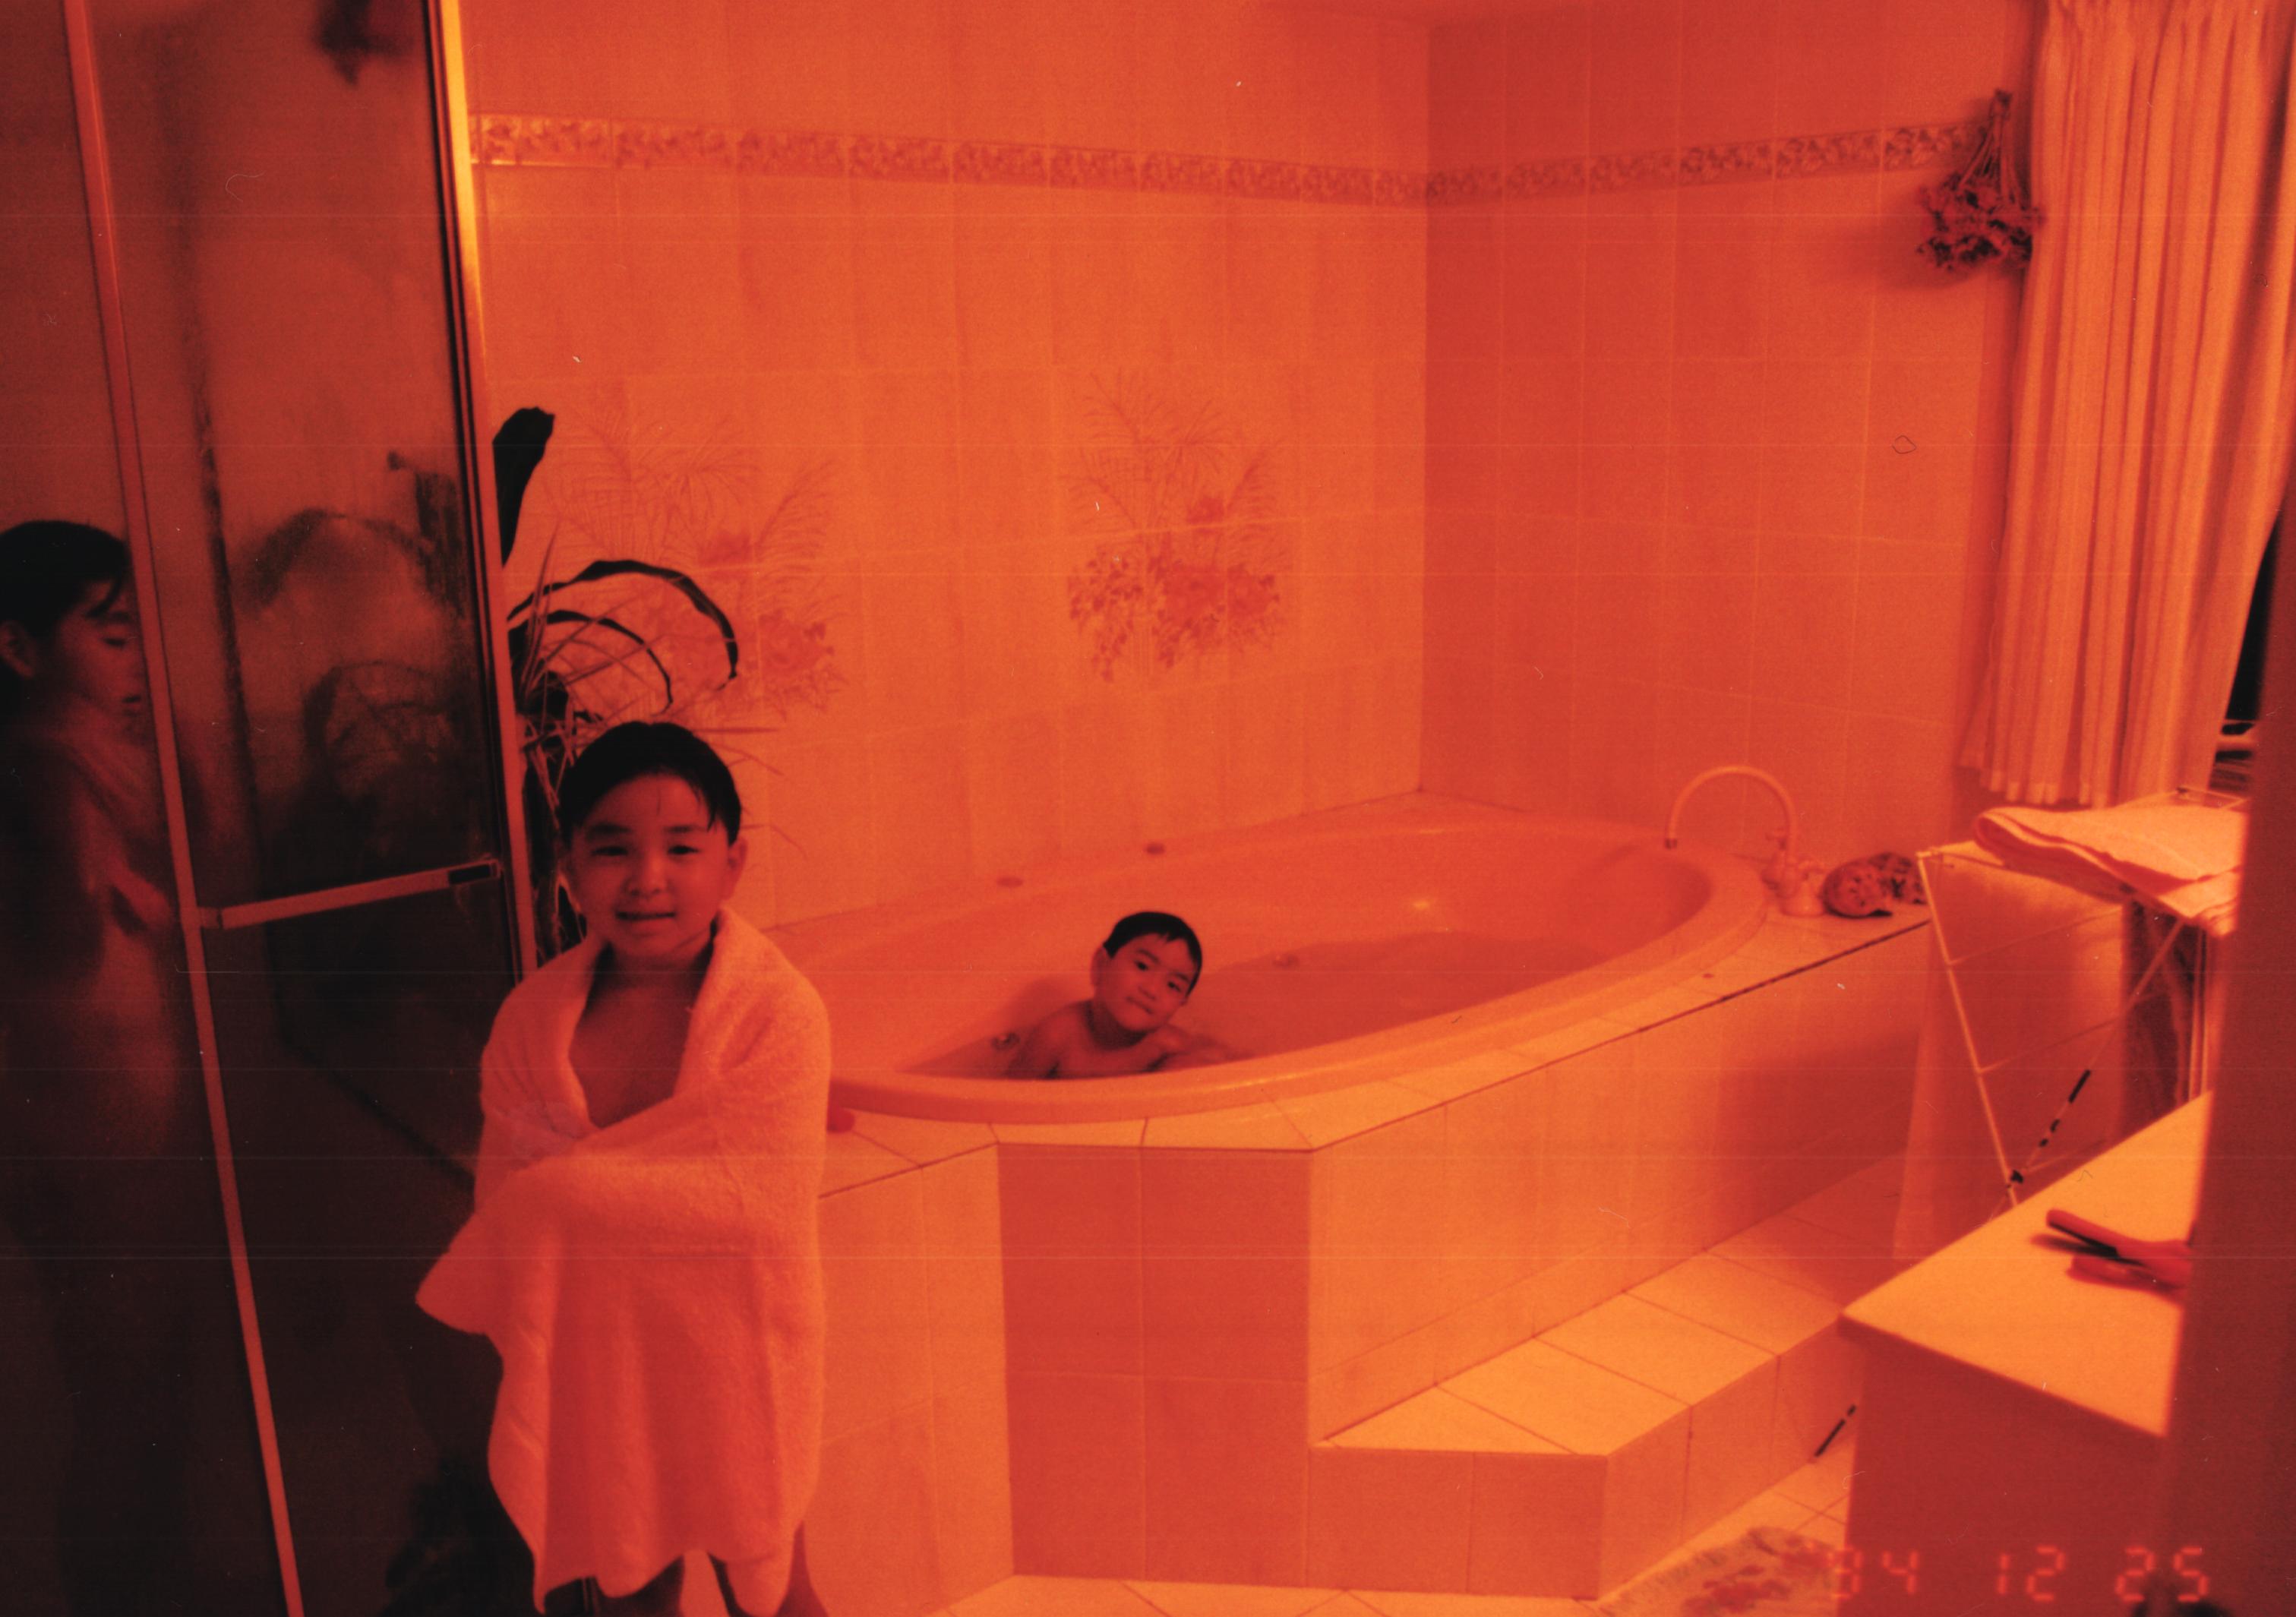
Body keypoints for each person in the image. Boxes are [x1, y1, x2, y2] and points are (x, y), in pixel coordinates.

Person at [416, 722, 832, 1616]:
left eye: (681, 847)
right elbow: (506, 1200)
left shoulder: (776, 1012)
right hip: (601, 1353)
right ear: (568, 868)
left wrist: (564, 1195)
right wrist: (562, 1206)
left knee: (775, 1593)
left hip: (735, 1350)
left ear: (732, 864)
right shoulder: (533, 1018)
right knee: (632, 1588)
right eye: (612, 849)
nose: (647, 878)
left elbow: (756, 1204)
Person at [0, 520, 272, 1614]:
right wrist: (88, 815)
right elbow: (67, 940)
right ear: (19, 649)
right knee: (121, 1398)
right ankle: (116, 1592)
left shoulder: (92, 760)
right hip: (87, 1152)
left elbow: (214, 882)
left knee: (157, 1383)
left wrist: (177, 756)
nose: (139, 661)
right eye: (112, 636)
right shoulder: (36, 766)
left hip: (132, 1136)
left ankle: (161, 1582)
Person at [1005, 909, 1237, 1078]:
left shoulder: (1168, 1045)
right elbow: (1010, 1097)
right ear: (1101, 965)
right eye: (1143, 966)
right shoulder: (1058, 1036)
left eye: (1172, 986)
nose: (1151, 990)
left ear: (1182, 1003)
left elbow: (1228, 1064)